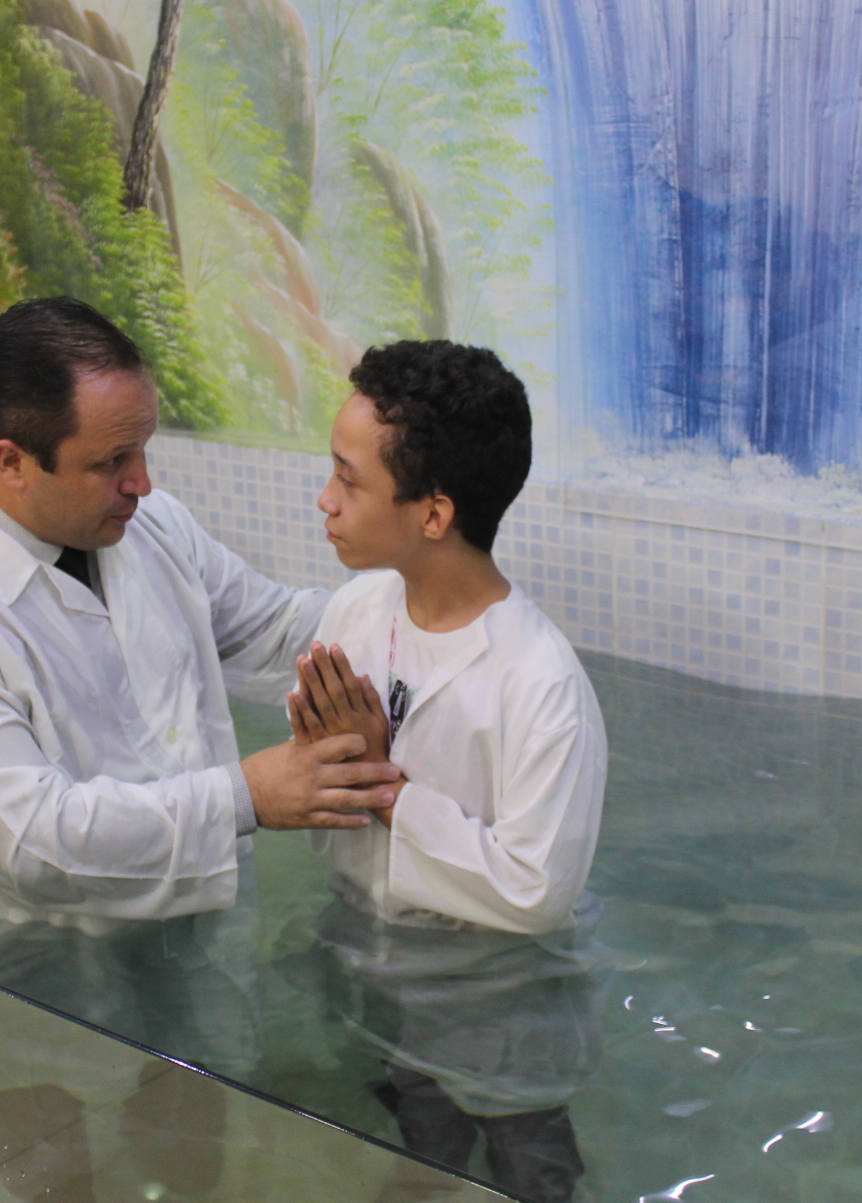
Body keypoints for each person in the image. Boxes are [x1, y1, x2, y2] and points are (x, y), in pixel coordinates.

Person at [0, 296, 399, 1197]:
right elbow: (37, 844)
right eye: (111, 462)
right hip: (21, 957)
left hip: (181, 918)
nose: (141, 483)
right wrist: (248, 797)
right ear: (12, 462)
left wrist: (426, 616)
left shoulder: (147, 528)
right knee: (55, 1167)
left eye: (142, 450)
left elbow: (273, 629)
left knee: (189, 1134)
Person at [288, 340, 609, 1203]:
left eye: (348, 480)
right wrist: (328, 762)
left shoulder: (539, 684)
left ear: (433, 514)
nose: (326, 500)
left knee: (528, 1165)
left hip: (496, 995)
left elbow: (536, 891)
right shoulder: (356, 611)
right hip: (377, 957)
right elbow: (323, 783)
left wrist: (386, 786)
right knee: (416, 1161)